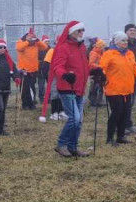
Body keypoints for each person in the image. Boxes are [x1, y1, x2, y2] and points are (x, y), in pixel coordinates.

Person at [48, 21, 92, 157]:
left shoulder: (81, 47)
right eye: (78, 31)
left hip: (79, 87)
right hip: (68, 88)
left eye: (82, 31)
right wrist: (65, 75)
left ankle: (73, 146)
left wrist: (95, 71)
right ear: (70, 32)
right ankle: (61, 144)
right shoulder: (63, 47)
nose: (81, 33)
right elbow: (57, 66)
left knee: (79, 121)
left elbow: (84, 66)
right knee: (75, 118)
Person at [102, 32, 136, 146]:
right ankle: (110, 138)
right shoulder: (109, 54)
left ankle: (120, 137)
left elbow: (134, 69)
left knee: (125, 113)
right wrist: (100, 75)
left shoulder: (129, 54)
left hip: (128, 88)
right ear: (116, 41)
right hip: (114, 89)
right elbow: (102, 68)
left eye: (126, 40)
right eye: (123, 40)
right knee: (116, 113)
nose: (125, 42)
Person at [15, 28, 48, 110]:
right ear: (26, 36)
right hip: (24, 70)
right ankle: (25, 104)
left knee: (32, 87)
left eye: (32, 37)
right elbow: (19, 48)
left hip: (33, 70)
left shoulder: (36, 43)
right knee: (24, 88)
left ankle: (32, 103)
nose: (31, 39)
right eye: (30, 36)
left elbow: (44, 47)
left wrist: (37, 40)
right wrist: (27, 42)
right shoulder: (21, 42)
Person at [86, 39, 106, 107]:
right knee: (94, 87)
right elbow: (91, 63)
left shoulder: (100, 53)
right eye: (103, 46)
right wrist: (100, 67)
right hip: (95, 72)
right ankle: (93, 102)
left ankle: (99, 101)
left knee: (100, 86)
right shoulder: (94, 53)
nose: (104, 47)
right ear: (100, 46)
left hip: (99, 72)